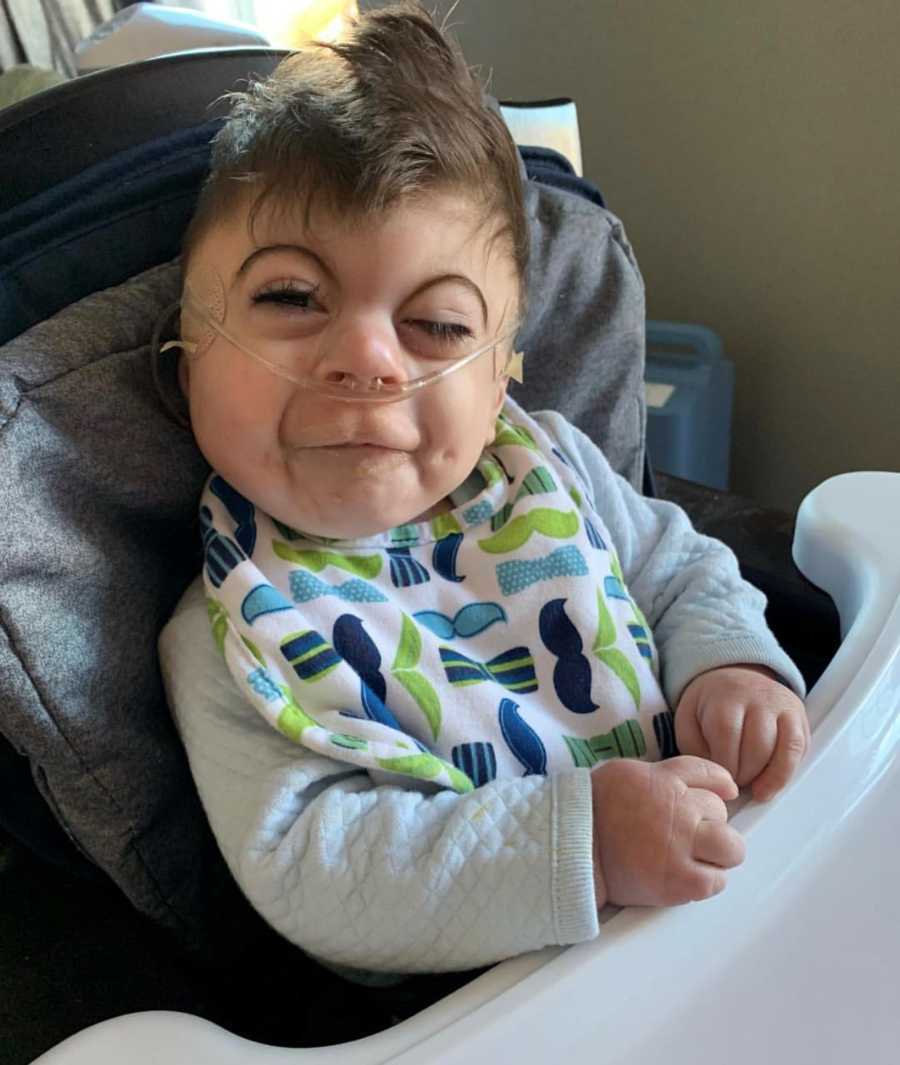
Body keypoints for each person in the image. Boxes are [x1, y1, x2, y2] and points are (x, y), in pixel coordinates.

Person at [158, 0, 808, 979]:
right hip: (493, 1000)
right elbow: (312, 865)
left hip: (725, 887)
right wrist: (580, 845)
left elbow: (682, 570)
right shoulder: (233, 628)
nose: (369, 361)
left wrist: (731, 670)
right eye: (291, 297)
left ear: (504, 377)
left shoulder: (547, 470)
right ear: (183, 363)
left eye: (440, 327)